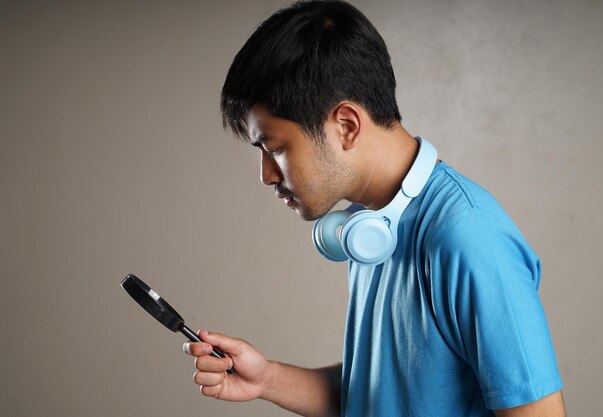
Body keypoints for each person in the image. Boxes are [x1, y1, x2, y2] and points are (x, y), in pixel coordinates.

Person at [182, 1, 566, 416]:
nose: (267, 175)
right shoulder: (370, 229)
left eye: (275, 149)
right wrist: (268, 379)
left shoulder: (468, 234)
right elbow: (383, 393)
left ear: (346, 125)